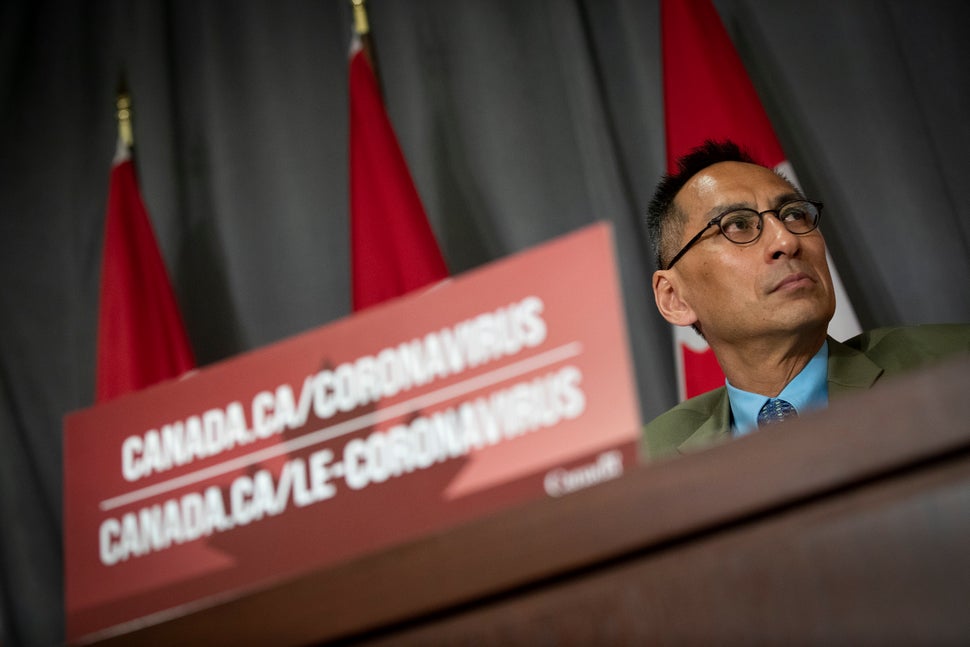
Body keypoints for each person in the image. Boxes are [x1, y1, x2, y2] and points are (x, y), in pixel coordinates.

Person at [643, 140, 970, 459]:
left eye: (793, 215)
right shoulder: (650, 461)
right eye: (738, 224)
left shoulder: (954, 364)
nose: (786, 240)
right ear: (675, 298)